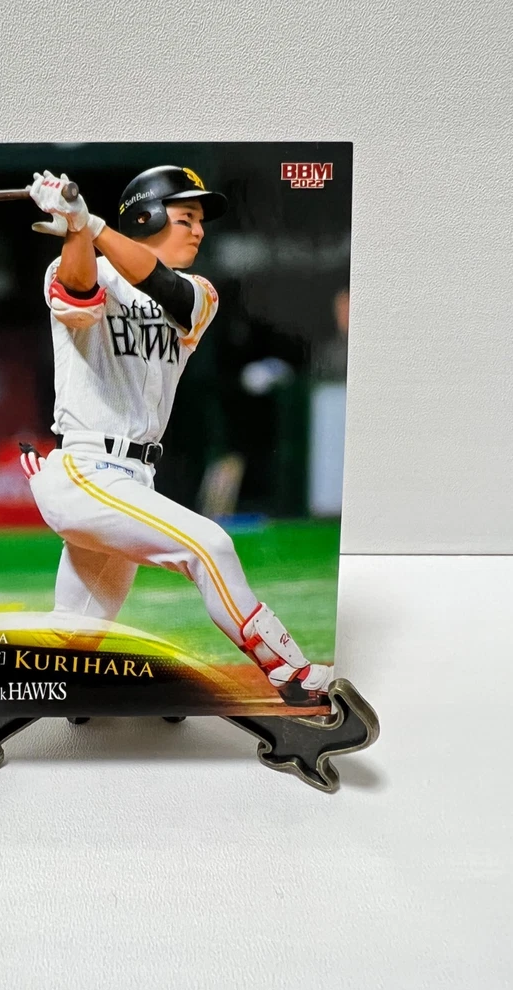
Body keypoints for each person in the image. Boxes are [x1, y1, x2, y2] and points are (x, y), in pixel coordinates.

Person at [18, 166, 333, 707]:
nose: (199, 230)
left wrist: (87, 223)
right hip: (87, 470)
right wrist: (76, 230)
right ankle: (293, 674)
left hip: (134, 478)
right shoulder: (79, 265)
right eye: (186, 217)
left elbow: (162, 286)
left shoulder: (198, 292)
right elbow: (79, 295)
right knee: (210, 546)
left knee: (72, 638)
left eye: (199, 221)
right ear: (146, 216)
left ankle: (22, 695)